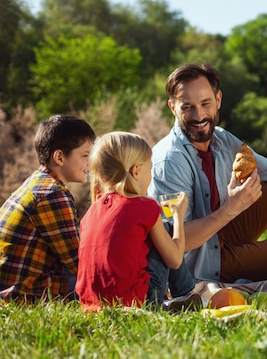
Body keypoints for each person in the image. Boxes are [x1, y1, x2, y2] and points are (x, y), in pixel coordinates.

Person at [148, 63, 267, 286]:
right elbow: (175, 242)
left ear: (218, 100)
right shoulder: (169, 162)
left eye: (205, 103)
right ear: (173, 108)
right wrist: (232, 208)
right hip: (202, 265)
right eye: (187, 107)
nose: (199, 115)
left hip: (222, 235)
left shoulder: (222, 140)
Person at [76, 131, 196, 311]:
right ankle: (186, 295)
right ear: (136, 170)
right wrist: (178, 216)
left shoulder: (90, 212)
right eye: (150, 168)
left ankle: (179, 298)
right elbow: (175, 260)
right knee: (166, 228)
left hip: (91, 306)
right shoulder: (145, 207)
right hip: (136, 305)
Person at [0, 114, 96, 302]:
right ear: (59, 157)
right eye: (85, 156)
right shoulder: (53, 195)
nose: (89, 163)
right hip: (26, 296)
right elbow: (80, 263)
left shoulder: (36, 182)